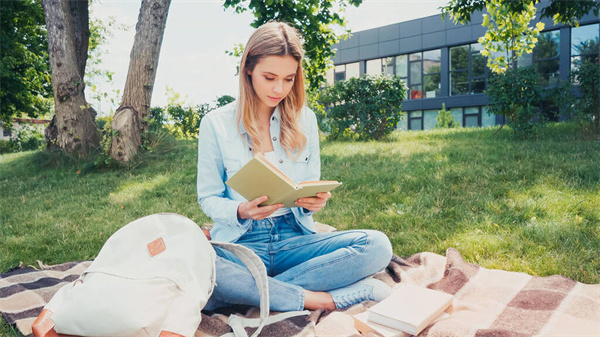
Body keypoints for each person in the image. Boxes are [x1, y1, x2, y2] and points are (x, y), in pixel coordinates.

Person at [197, 21, 393, 312]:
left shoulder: (305, 120)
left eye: (289, 79)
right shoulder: (216, 123)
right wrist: (240, 210)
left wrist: (312, 203)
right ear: (248, 69)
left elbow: (307, 186)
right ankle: (320, 297)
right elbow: (208, 198)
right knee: (201, 264)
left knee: (377, 246)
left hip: (294, 238)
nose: (279, 88)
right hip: (242, 242)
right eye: (269, 77)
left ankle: (253, 292)